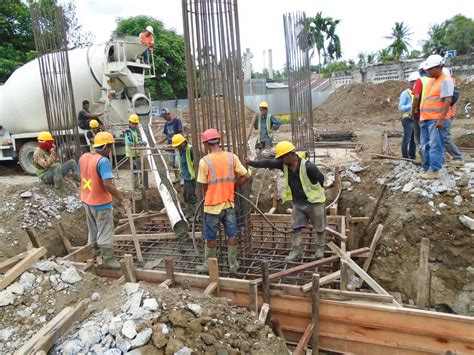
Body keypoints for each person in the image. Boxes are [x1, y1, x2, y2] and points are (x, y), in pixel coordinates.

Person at [247, 141, 326, 260]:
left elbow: (321, 178)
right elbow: (268, 162)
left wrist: (314, 193)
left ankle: (319, 250)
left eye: (282, 157)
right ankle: (296, 250)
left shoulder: (308, 166)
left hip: (314, 202)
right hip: (298, 203)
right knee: (295, 227)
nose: (280, 160)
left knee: (319, 226)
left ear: (289, 155)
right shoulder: (284, 164)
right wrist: (251, 163)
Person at [196, 128, 250, 274]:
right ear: (219, 141)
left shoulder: (204, 161)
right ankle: (233, 265)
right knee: (232, 235)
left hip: (212, 206)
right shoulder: (232, 157)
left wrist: (208, 196)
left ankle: (209, 266)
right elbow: (246, 175)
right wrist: (234, 185)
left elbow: (203, 186)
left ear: (206, 144)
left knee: (210, 237)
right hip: (229, 203)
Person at [79, 132, 129, 269]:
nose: (111, 150)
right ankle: (108, 258)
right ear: (106, 146)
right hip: (100, 202)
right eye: (110, 147)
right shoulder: (103, 161)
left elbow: (83, 175)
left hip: (87, 200)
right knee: (105, 230)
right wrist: (122, 199)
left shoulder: (84, 157)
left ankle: (95, 252)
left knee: (93, 228)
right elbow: (108, 184)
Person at [418, 54, 454, 180]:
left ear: (439, 67)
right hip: (426, 119)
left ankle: (435, 170)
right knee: (425, 145)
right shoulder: (432, 81)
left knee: (435, 145)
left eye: (430, 69)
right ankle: (427, 168)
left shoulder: (446, 80)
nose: (427, 71)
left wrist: (441, 119)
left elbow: (447, 100)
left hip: (436, 120)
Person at [441, 67, 464, 166]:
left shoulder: (447, 83)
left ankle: (458, 158)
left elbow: (448, 101)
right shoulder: (450, 83)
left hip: (446, 116)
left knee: (445, 138)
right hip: (447, 115)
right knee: (441, 138)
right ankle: (443, 159)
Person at [172, 134, 197, 220]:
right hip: (185, 177)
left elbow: (196, 163)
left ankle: (194, 214)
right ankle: (189, 213)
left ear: (182, 143)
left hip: (191, 177)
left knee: (191, 196)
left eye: (178, 145)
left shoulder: (190, 149)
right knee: (186, 195)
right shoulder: (181, 150)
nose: (177, 147)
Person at [411, 61, 431, 161]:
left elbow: (416, 98)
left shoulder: (420, 81)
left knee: (419, 138)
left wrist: (412, 111)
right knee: (430, 138)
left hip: (420, 113)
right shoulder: (433, 80)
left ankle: (424, 160)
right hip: (432, 114)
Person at [398, 71, 419, 159]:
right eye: (415, 82)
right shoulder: (405, 93)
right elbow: (401, 107)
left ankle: (412, 156)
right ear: (411, 82)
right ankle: (405, 157)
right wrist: (411, 105)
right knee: (407, 139)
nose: (417, 84)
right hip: (407, 119)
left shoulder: (419, 93)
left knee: (414, 140)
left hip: (416, 119)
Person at [159, 108, 183, 180]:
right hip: (170, 146)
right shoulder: (166, 124)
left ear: (169, 114)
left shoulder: (177, 121)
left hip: (177, 145)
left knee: (177, 162)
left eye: (165, 116)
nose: (165, 118)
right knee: (172, 162)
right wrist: (160, 142)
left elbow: (180, 133)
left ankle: (181, 178)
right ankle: (177, 177)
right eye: (164, 117)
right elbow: (167, 136)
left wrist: (177, 142)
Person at [125, 114, 145, 186]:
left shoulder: (134, 131)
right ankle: (135, 185)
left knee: (138, 168)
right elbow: (129, 142)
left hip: (136, 152)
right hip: (131, 153)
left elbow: (135, 140)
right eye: (133, 124)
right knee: (134, 170)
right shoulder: (128, 131)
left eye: (136, 124)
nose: (134, 125)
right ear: (129, 123)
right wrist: (139, 143)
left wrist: (139, 141)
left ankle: (139, 184)